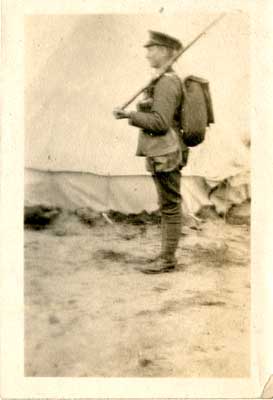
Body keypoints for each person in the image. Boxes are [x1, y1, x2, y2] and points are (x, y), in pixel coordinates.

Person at [113, 31, 189, 274]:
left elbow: (160, 122)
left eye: (152, 49)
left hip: (166, 152)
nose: (147, 54)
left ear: (166, 51)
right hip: (160, 152)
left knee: (170, 206)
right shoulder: (162, 79)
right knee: (167, 204)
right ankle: (165, 256)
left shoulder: (167, 82)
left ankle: (167, 260)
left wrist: (129, 115)